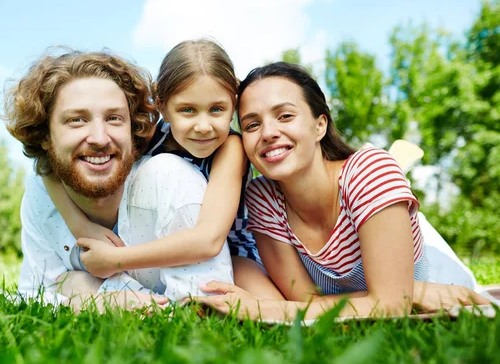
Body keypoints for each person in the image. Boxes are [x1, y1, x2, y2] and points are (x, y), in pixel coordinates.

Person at [193, 62, 490, 321]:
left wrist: (261, 309)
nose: (268, 132)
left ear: (320, 125)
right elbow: (307, 303)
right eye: (252, 124)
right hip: (410, 296)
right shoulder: (264, 198)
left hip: (447, 291)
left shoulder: (369, 170)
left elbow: (390, 307)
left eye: (285, 116)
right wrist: (406, 296)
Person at [40, 39, 281, 298]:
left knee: (271, 312)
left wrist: (117, 259)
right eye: (187, 110)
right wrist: (81, 227)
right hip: (157, 247)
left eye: (216, 110)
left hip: (232, 250)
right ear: (162, 105)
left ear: (233, 101)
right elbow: (46, 165)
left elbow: (209, 240)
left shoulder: (230, 148)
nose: (203, 126)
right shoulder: (147, 138)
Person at [2, 49, 233, 310]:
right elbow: (35, 296)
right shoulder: (42, 191)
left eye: (114, 119)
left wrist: (84, 289)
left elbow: (206, 311)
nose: (99, 138)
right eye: (77, 120)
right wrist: (108, 299)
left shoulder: (170, 178)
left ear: (133, 130)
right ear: (45, 136)